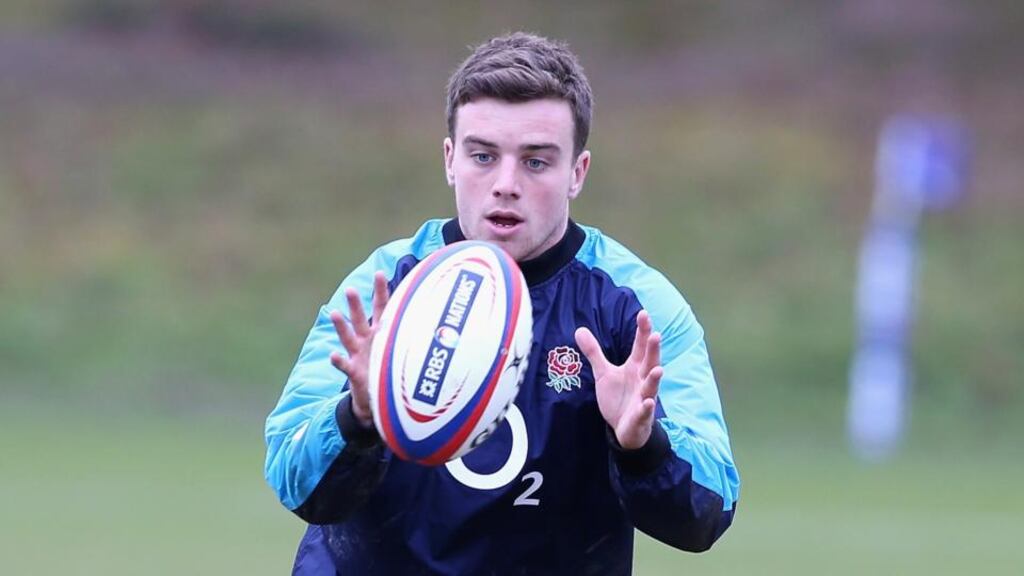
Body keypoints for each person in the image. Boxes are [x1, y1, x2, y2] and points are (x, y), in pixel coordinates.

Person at [265, 32, 740, 575]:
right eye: (483, 156)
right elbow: (293, 477)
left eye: (536, 162)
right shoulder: (385, 288)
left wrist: (644, 445)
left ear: (577, 173)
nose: (505, 184)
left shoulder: (634, 312)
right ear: (450, 160)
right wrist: (356, 418)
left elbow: (709, 510)